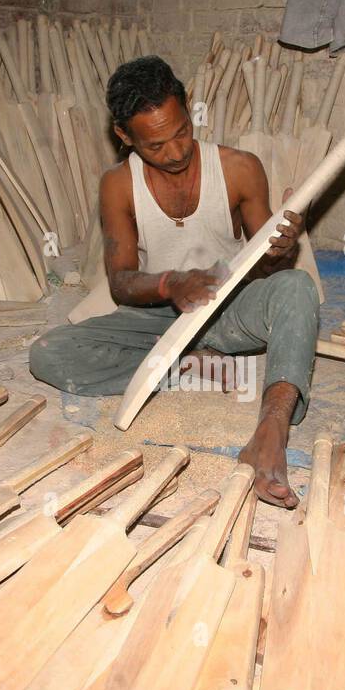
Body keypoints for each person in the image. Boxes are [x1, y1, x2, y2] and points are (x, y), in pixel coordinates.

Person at [30, 56, 318, 507]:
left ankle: (271, 430)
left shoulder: (239, 167)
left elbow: (271, 270)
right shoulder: (118, 185)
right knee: (49, 355)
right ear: (124, 137)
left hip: (228, 308)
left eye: (182, 131)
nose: (177, 151)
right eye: (156, 145)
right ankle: (187, 366)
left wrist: (282, 246)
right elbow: (122, 283)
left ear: (188, 109)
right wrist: (170, 284)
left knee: (298, 290)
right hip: (159, 315)